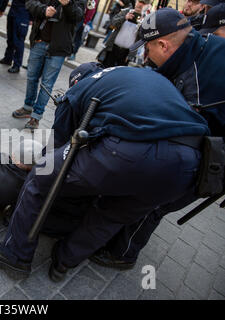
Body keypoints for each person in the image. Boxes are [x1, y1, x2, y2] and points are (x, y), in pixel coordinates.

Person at [0, 63, 210, 281]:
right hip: (190, 162)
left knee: (41, 177)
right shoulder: (128, 78)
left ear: (75, 82)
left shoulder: (78, 91)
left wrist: (32, 164)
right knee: (111, 214)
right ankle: (63, 261)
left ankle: (15, 255)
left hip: (133, 151)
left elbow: (55, 152)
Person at [90, 8, 225, 270]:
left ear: (163, 44)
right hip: (198, 141)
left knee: (155, 201)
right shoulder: (191, 50)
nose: (145, 56)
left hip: (213, 157)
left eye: (147, 49)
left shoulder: (207, 67)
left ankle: (123, 254)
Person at [11, 0, 85, 130]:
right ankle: (28, 107)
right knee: (31, 77)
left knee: (47, 84)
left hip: (59, 48)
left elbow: (78, 16)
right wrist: (43, 10)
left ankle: (36, 116)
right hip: (39, 41)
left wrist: (67, 4)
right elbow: (30, 3)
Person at [97, 0, 148, 68]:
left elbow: (143, 38)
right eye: (139, 2)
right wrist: (125, 18)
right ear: (136, 2)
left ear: (146, 6)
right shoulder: (125, 11)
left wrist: (141, 25)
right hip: (113, 48)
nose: (140, 4)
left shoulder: (146, 19)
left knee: (119, 75)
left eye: (143, 3)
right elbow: (112, 24)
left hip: (126, 53)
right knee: (105, 69)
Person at [0, 0, 31, 73]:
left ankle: (17, 65)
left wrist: (31, 18)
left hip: (23, 13)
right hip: (13, 10)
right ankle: (8, 58)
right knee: (10, 37)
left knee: (18, 41)